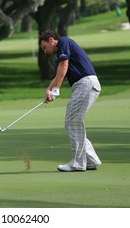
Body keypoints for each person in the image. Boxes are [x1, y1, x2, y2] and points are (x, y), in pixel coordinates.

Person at [39, 30, 101, 172]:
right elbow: (59, 75)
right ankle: (91, 160)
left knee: (72, 122)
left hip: (85, 84)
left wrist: (57, 89)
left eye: (44, 47)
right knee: (74, 122)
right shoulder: (63, 49)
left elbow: (63, 65)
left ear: (51, 40)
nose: (45, 51)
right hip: (86, 85)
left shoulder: (64, 42)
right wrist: (50, 90)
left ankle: (78, 163)